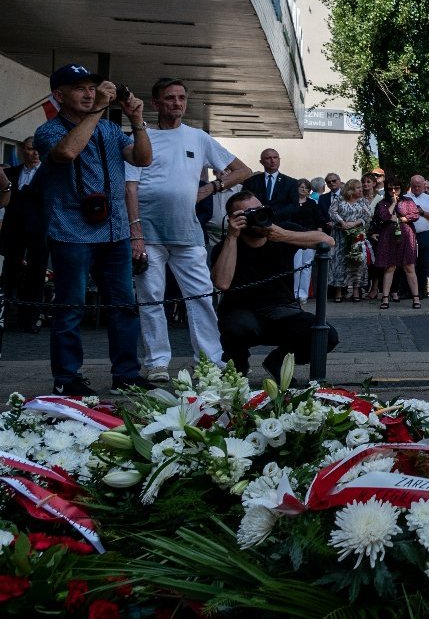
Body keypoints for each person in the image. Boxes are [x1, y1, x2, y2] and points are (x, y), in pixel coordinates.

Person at [34, 64, 154, 395]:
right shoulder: (49, 132)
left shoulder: (110, 130)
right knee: (71, 309)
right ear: (59, 96)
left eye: (92, 88)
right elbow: (68, 151)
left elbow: (142, 159)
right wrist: (100, 107)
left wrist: (137, 121)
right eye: (80, 88)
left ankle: (127, 374)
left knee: (123, 307)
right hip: (71, 232)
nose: (89, 93)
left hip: (115, 234)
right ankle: (67, 378)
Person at [123, 78, 252, 380]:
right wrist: (135, 232)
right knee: (151, 298)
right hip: (149, 232)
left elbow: (243, 170)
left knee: (201, 297)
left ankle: (209, 362)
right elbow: (130, 188)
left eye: (181, 98)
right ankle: (156, 363)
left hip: (188, 231)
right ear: (156, 103)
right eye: (169, 98)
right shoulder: (141, 137)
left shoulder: (198, 137)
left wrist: (210, 189)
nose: (177, 103)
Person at [212, 191, 337, 378]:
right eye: (248, 214)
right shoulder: (226, 246)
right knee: (237, 327)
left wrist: (284, 235)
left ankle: (278, 360)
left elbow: (328, 241)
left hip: (283, 312)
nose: (256, 216)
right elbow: (222, 283)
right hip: (242, 314)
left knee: (326, 335)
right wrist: (232, 236)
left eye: (259, 209)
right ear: (233, 219)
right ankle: (237, 366)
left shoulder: (281, 231)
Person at [1, 137, 49, 345]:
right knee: (9, 275)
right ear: (23, 150)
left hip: (39, 233)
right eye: (30, 149)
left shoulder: (48, 173)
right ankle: (7, 316)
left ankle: (30, 319)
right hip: (13, 233)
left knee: (36, 278)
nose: (34, 153)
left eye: (38, 150)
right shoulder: (11, 173)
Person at [371, 183, 422, 309]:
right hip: (389, 237)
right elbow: (384, 216)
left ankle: (416, 298)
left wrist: (401, 219)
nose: (394, 191)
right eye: (391, 189)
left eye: (397, 188)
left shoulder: (408, 201)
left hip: (406, 235)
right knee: (390, 266)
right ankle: (385, 298)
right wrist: (393, 203)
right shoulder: (383, 203)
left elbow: (415, 215)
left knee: (409, 266)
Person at [330, 179, 373, 302]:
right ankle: (338, 292)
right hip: (340, 235)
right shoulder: (339, 199)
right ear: (350, 189)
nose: (361, 190)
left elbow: (368, 216)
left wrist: (355, 223)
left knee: (357, 262)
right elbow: (332, 212)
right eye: (358, 188)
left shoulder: (363, 201)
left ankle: (356, 290)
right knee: (339, 263)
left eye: (361, 188)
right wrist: (342, 222)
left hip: (356, 236)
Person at [406, 175, 429, 299]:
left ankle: (422, 291)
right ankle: (407, 291)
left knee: (423, 263)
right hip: (408, 234)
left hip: (425, 234)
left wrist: (422, 212)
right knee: (408, 263)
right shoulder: (405, 198)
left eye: (419, 186)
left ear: (423, 186)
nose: (416, 188)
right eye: (414, 186)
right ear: (410, 185)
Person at [251, 149, 303, 223]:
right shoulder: (252, 181)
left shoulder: (290, 182)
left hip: (281, 224)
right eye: (268, 158)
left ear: (279, 160)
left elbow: (294, 205)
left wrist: (274, 213)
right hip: (257, 222)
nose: (272, 161)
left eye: (275, 157)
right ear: (261, 162)